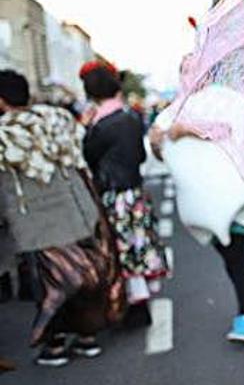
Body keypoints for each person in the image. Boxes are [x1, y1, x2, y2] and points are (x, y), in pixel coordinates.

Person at [0, 70, 123, 367]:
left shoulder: (5, 134)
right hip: (79, 210)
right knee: (84, 277)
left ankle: (54, 346)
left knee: (52, 286)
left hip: (39, 224)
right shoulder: (58, 119)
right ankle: (87, 338)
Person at [149, 76, 244, 342]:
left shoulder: (227, 99)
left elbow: (229, 128)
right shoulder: (177, 108)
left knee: (234, 254)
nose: (188, 73)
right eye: (184, 68)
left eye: (193, 66)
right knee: (229, 256)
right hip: (203, 200)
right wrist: (158, 141)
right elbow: (163, 154)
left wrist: (186, 128)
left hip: (232, 191)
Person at [80, 63, 168, 328]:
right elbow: (140, 156)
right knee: (138, 247)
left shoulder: (100, 125)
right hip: (135, 192)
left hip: (113, 196)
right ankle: (139, 306)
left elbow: (89, 157)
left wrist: (86, 130)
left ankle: (132, 308)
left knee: (121, 249)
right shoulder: (130, 118)